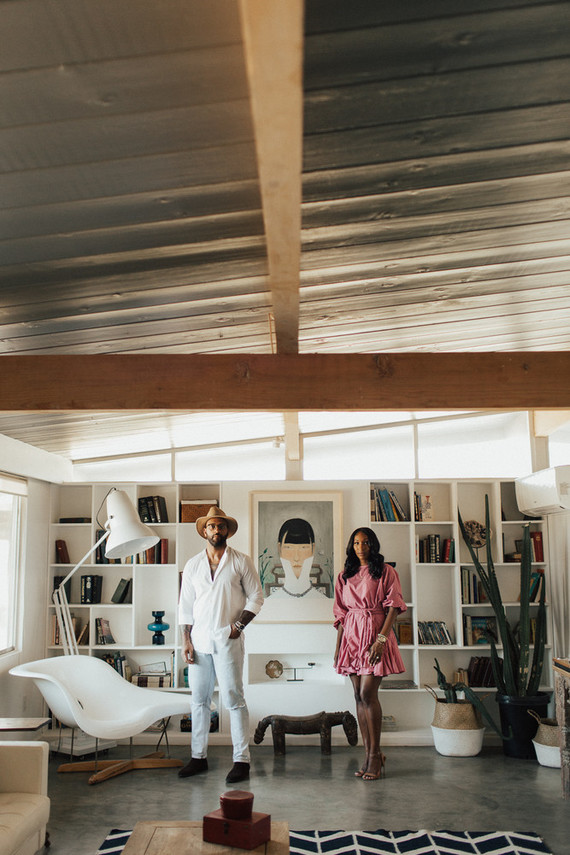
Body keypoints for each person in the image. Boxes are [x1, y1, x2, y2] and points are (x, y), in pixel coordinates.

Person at [178, 506, 263, 784]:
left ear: (227, 530)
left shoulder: (241, 561)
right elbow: (185, 606)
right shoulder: (192, 565)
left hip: (228, 641)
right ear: (204, 531)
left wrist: (238, 627)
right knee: (199, 701)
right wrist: (186, 641)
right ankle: (198, 757)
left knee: (234, 699)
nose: (216, 530)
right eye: (211, 526)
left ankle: (241, 761)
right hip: (199, 642)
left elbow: (256, 598)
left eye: (220, 526)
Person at [333, 527, 406, 781]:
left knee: (367, 693)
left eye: (365, 542)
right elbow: (341, 615)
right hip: (351, 637)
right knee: (356, 695)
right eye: (355, 543)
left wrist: (381, 640)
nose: (360, 547)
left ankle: (375, 755)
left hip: (375, 634)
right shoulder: (344, 576)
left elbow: (394, 608)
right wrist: (337, 648)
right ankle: (368, 754)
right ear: (351, 547)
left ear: (372, 545)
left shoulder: (386, 572)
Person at [270, 517, 328, 598]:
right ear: (279, 549)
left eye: (304, 547)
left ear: (313, 548)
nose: (296, 558)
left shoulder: (325, 602)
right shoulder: (269, 603)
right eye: (288, 547)